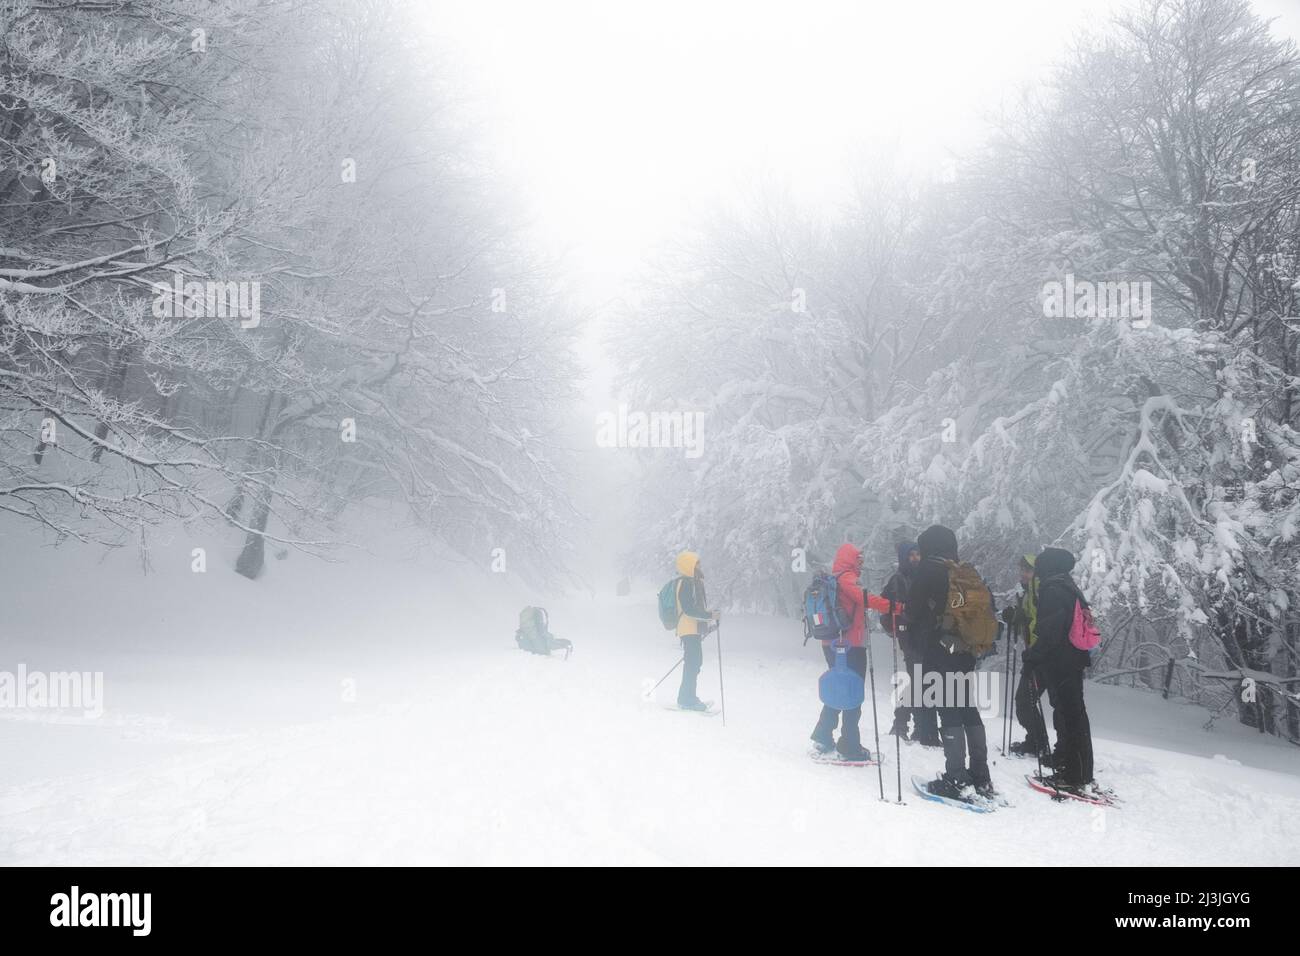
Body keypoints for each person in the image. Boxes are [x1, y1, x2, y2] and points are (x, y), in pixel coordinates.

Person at [905, 524, 993, 799]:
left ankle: (957, 779)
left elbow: (913, 611)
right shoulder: (964, 570)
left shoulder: (928, 571)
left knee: (948, 709)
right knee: (967, 707)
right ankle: (981, 777)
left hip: (941, 651)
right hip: (966, 651)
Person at [1023, 547, 1095, 788]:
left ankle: (1073, 776)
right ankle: (1076, 769)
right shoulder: (1068, 586)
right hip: (1074, 659)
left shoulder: (1053, 590)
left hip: (1061, 661)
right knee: (1074, 715)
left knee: (1069, 716)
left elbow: (1050, 632)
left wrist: (1033, 656)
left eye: (1040, 566)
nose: (1038, 572)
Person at [810, 543, 876, 760]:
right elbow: (866, 599)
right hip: (850, 646)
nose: (862, 563)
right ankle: (849, 744)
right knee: (853, 692)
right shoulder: (847, 579)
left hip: (831, 645)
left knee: (839, 688)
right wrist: (896, 606)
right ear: (850, 559)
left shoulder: (834, 579)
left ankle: (823, 735)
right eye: (859, 559)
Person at [880, 541, 939, 745]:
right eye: (911, 555)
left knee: (920, 681)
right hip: (909, 636)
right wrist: (898, 624)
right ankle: (904, 725)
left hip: (925, 636)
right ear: (904, 558)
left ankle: (915, 727)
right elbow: (885, 607)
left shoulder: (923, 577)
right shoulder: (897, 580)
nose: (915, 558)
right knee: (915, 681)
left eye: (917, 554)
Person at [1001, 554, 1051, 759]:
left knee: (1024, 700)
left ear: (1036, 572)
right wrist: (1016, 616)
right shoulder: (1029, 592)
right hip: (1037, 653)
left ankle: (1038, 743)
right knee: (1026, 700)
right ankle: (1036, 742)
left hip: (1042, 655)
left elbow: (1042, 623)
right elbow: (1030, 619)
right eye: (1022, 569)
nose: (1023, 573)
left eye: (1027, 570)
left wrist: (1034, 649)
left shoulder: (1040, 590)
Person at [672, 551, 719, 711]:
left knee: (694, 663)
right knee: (693, 663)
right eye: (696, 563)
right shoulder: (685, 583)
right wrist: (709, 615)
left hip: (692, 629)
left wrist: (708, 619)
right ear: (688, 565)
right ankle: (687, 700)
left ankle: (687, 698)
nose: (699, 566)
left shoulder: (690, 582)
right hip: (688, 629)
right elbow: (689, 609)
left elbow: (693, 609)